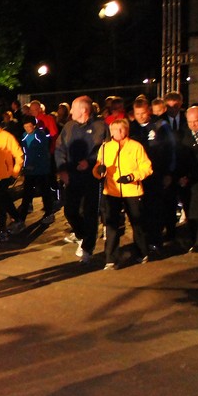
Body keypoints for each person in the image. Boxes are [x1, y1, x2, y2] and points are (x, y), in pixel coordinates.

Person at [93, 118, 153, 269]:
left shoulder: (136, 146)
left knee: (137, 223)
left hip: (132, 190)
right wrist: (99, 171)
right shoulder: (105, 147)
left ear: (127, 130)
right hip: (111, 191)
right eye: (115, 129)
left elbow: (147, 167)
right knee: (111, 225)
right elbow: (98, 168)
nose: (118, 132)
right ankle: (110, 258)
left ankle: (142, 252)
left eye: (121, 129)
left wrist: (132, 177)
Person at [54, 95, 108, 263]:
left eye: (73, 108)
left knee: (90, 213)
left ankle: (87, 248)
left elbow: (106, 149)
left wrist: (91, 162)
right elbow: (59, 148)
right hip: (72, 176)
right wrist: (62, 170)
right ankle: (82, 235)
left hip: (92, 178)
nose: (70, 111)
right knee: (70, 211)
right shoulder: (69, 127)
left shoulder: (101, 126)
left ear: (83, 110)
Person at [129, 96, 175, 252]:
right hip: (137, 176)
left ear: (148, 110)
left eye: (143, 113)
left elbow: (171, 149)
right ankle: (143, 241)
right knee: (139, 210)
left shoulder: (160, 125)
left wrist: (169, 172)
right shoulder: (131, 128)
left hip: (156, 174)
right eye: (137, 113)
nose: (140, 116)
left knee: (155, 207)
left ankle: (156, 238)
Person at [0, 113, 24, 239]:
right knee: (4, 200)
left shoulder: (6, 137)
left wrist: (15, 172)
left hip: (4, 175)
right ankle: (17, 218)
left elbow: (19, 155)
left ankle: (2, 228)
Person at [19, 115, 56, 225]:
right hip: (29, 169)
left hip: (41, 169)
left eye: (29, 126)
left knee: (45, 192)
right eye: (25, 127)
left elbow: (42, 152)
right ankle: (22, 217)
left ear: (34, 126)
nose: (27, 129)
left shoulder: (40, 135)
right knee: (27, 193)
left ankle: (49, 213)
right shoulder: (24, 136)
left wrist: (34, 164)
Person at [178, 106, 198, 252]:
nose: (193, 125)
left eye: (196, 121)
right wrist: (182, 176)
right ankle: (195, 239)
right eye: (190, 122)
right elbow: (179, 157)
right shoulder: (182, 134)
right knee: (191, 211)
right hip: (188, 180)